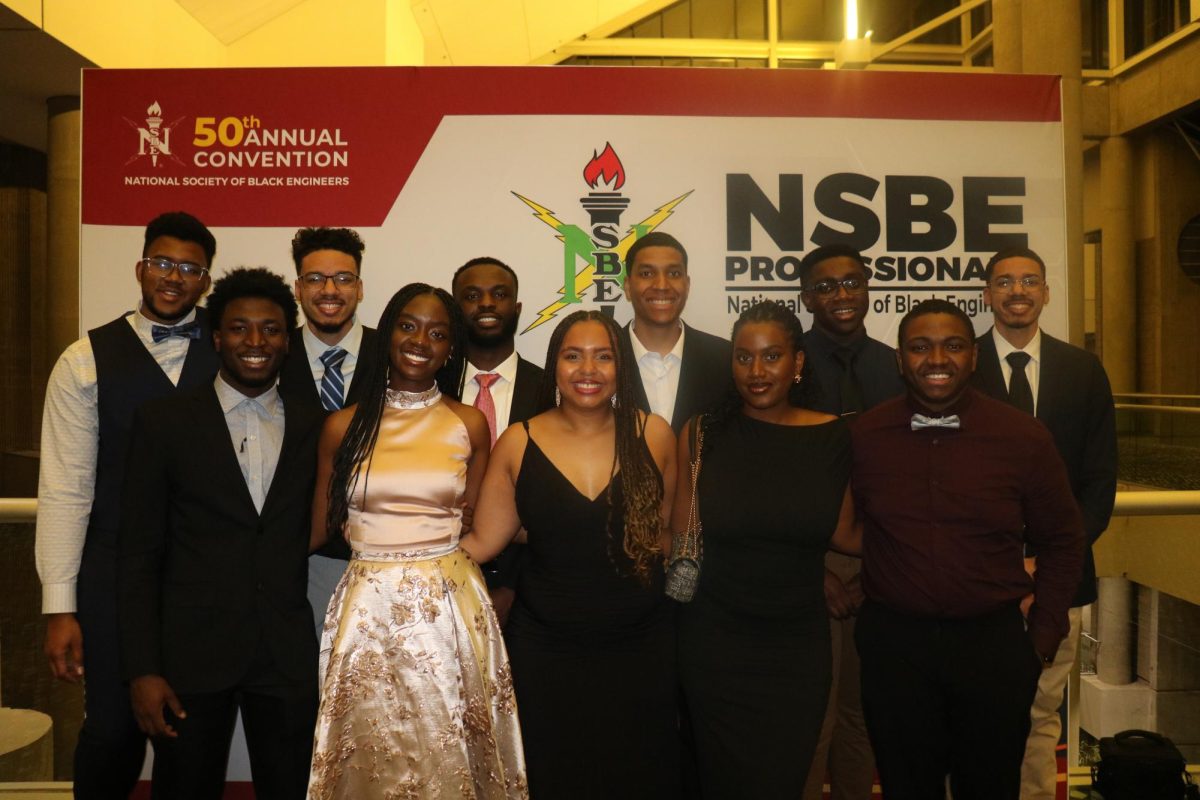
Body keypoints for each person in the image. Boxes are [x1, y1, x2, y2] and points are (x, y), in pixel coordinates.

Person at [851, 299, 1084, 799]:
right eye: (920, 347)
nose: (937, 359)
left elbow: (1064, 538)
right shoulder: (865, 436)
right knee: (905, 787)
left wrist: (1041, 637)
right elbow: (829, 524)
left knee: (991, 788)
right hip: (896, 649)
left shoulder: (1022, 436)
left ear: (973, 356)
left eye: (953, 346)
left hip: (993, 649)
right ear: (899, 358)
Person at [307, 283, 526, 799]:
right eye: (408, 326)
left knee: (447, 746)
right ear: (387, 334)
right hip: (367, 606)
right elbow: (318, 527)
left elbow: (478, 523)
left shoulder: (468, 423)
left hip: (448, 604)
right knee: (369, 750)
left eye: (437, 332)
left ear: (452, 349)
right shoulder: (342, 427)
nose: (420, 340)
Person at [35, 210, 219, 797]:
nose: (174, 278)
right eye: (163, 263)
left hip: (202, 582)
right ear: (141, 267)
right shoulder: (84, 359)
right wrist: (59, 606)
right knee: (113, 734)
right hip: (112, 575)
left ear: (205, 282)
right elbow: (65, 489)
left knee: (187, 745)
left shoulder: (236, 348)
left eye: (189, 269)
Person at [119, 268, 322, 798]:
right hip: (189, 660)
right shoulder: (164, 423)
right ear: (216, 337)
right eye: (239, 328)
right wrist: (143, 669)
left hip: (285, 658)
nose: (255, 342)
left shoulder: (315, 426)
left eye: (271, 329)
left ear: (287, 339)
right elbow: (138, 554)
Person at [464, 310, 679, 799]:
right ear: (554, 365)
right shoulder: (519, 440)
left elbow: (667, 535)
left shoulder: (655, 434)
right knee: (554, 775)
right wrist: (396, 556)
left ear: (621, 367)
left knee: (640, 775)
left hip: (641, 646)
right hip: (546, 649)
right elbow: (482, 543)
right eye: (573, 356)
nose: (588, 369)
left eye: (604, 356)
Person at [674, 300, 858, 798]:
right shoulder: (703, 432)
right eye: (743, 357)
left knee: (783, 779)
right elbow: (682, 538)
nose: (756, 372)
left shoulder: (832, 435)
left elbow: (845, 534)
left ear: (797, 363)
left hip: (796, 649)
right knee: (721, 780)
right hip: (714, 643)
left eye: (771, 357)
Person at [972, 246, 1117, 800]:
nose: (1017, 291)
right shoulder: (958, 364)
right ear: (987, 295)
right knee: (970, 713)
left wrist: (1049, 562)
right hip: (976, 580)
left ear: (1047, 292)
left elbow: (1100, 481)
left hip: (1060, 582)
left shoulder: (1084, 371)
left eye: (1030, 280)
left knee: (1042, 717)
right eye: (1004, 281)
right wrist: (1007, 562)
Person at [798, 245, 902, 800]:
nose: (841, 295)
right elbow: (773, 477)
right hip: (803, 560)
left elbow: (912, 477)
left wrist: (878, 571)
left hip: (882, 561)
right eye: (826, 286)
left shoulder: (898, 365)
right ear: (806, 297)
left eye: (852, 282)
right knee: (814, 712)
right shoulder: (785, 366)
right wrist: (812, 570)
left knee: (861, 715)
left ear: (867, 288)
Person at [278, 226, 378, 635]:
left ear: (359, 287)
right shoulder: (268, 356)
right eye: (316, 279)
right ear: (298, 288)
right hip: (292, 564)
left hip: (378, 561)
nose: (329, 290)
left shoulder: (395, 358)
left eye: (343, 278)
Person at [452, 256, 545, 625]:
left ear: (517, 308)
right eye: (472, 295)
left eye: (499, 294)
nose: (487, 303)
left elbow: (556, 507)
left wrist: (513, 586)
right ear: (455, 309)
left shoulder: (551, 392)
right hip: (440, 588)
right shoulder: (429, 389)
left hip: (532, 598)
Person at [617, 231, 731, 434]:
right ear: (627, 286)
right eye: (646, 274)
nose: (661, 285)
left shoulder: (725, 359)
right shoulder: (605, 357)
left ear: (687, 285)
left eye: (673, 274)